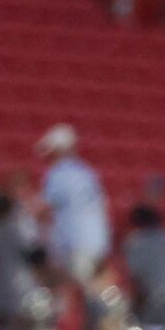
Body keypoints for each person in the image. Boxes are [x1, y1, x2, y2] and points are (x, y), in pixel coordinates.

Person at [35, 125, 110, 292]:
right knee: (90, 288)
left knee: (83, 290)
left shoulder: (58, 174)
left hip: (76, 244)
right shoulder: (87, 173)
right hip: (97, 242)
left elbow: (44, 209)